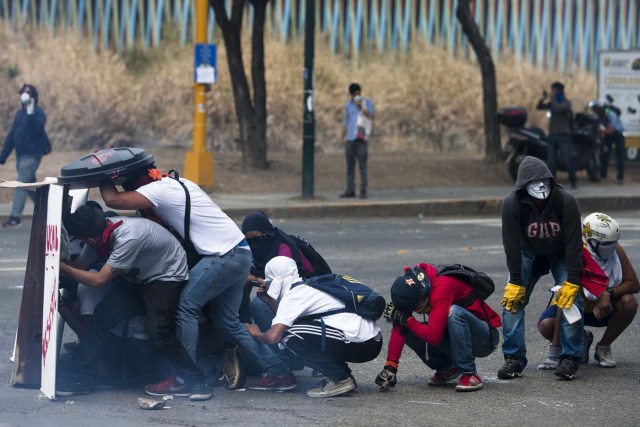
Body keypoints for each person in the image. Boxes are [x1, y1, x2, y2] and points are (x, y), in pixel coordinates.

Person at [99, 162, 295, 393]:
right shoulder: (178, 183)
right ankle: (280, 372)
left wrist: (101, 172)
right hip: (239, 252)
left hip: (223, 256)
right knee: (229, 322)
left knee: (185, 306)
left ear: (139, 184)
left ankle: (184, 377)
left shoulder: (157, 190)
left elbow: (113, 200)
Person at [55, 206, 214, 400]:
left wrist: (63, 268)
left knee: (158, 329)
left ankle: (197, 381)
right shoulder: (98, 238)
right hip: (140, 277)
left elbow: (99, 280)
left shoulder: (128, 238)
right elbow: (79, 267)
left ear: (89, 239)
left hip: (166, 275)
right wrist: (55, 270)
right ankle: (82, 378)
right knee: (103, 317)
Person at [245, 257, 382, 398]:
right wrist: (269, 300)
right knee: (299, 330)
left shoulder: (294, 296)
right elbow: (288, 317)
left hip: (363, 343)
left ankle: (340, 379)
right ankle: (341, 376)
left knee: (289, 335)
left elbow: (274, 337)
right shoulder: (304, 288)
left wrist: (256, 333)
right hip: (367, 340)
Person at [499, 155, 584, 381]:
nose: (540, 187)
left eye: (544, 181)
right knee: (512, 301)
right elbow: (511, 245)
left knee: (570, 300)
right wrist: (516, 281)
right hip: (528, 253)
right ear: (522, 187)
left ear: (551, 181)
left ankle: (571, 357)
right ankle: (514, 359)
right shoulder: (512, 203)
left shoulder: (566, 201)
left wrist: (573, 281)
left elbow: (575, 244)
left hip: (561, 253)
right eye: (533, 183)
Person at [375, 264, 501, 393]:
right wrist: (391, 366)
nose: (416, 310)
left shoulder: (442, 287)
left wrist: (408, 320)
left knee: (453, 313)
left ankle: (470, 374)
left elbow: (433, 337)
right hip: (456, 335)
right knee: (408, 327)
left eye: (417, 305)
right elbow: (400, 326)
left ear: (424, 294)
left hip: (484, 339)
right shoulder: (411, 286)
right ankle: (447, 369)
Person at [538, 212, 638, 368]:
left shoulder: (615, 250)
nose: (610, 248)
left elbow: (633, 283)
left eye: (613, 243)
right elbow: (567, 290)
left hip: (603, 309)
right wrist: (553, 354)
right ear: (589, 240)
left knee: (629, 302)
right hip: (576, 307)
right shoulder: (575, 250)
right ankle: (580, 338)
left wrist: (608, 293)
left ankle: (603, 347)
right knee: (546, 326)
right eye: (605, 244)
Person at [0, 83, 51, 228]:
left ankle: (15, 217)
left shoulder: (37, 113)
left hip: (32, 155)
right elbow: (12, 136)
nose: (24, 95)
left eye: (28, 93)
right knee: (31, 186)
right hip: (21, 156)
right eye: (23, 92)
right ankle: (46, 212)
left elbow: (38, 128)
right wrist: (3, 156)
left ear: (33, 96)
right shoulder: (19, 114)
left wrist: (31, 112)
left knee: (21, 184)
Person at [536, 81, 576, 189]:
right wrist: (543, 98)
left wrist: (552, 99)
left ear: (559, 91)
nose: (552, 92)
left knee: (568, 160)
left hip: (564, 135)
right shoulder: (552, 103)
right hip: (552, 135)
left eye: (553, 90)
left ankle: (573, 180)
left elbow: (559, 108)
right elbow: (539, 107)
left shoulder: (567, 103)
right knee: (551, 161)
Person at [340, 83, 375, 199]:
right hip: (350, 138)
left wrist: (361, 107)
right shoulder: (348, 106)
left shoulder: (367, 102)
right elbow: (345, 122)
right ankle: (350, 190)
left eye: (358, 93)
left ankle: (363, 191)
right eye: (354, 93)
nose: (357, 95)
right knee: (350, 167)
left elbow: (371, 116)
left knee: (362, 167)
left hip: (361, 138)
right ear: (351, 94)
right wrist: (342, 137)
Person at [592, 101, 626, 184]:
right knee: (604, 154)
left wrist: (600, 131)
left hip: (618, 134)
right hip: (608, 135)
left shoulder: (611, 114)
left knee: (620, 155)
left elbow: (611, 130)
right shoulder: (599, 116)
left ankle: (620, 177)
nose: (596, 111)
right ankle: (602, 175)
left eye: (597, 110)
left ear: (600, 109)